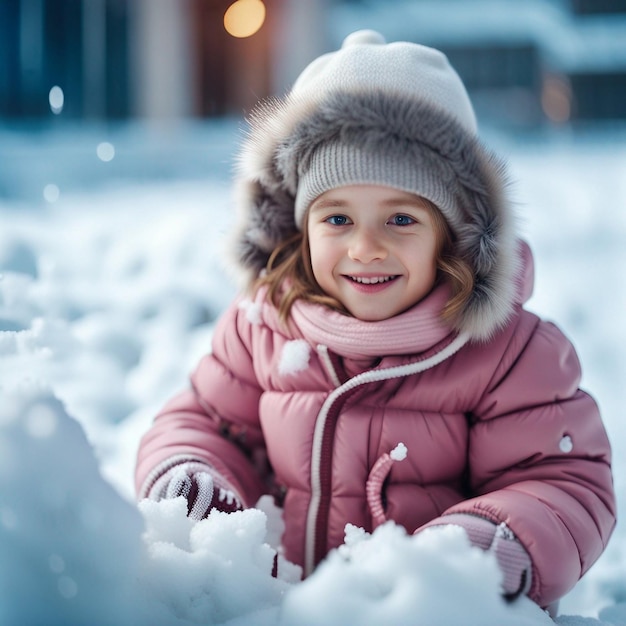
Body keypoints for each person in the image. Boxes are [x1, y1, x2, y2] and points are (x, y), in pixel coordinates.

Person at [135, 30, 616, 612]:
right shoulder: (264, 326)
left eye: (401, 220)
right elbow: (203, 420)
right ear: (298, 225)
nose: (365, 248)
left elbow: (567, 481)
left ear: (453, 231)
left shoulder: (507, 353)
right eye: (337, 218)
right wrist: (193, 476)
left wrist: (486, 545)